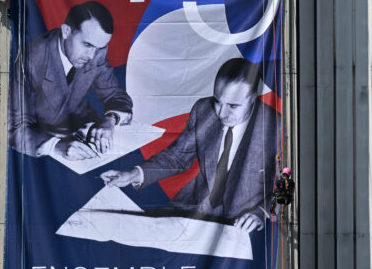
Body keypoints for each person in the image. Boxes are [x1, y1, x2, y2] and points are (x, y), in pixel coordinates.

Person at [101, 58, 276, 232]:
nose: (221, 113)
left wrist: (262, 213)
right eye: (217, 101)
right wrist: (132, 174)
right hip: (190, 209)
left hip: (241, 224)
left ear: (253, 97)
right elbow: (177, 157)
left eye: (232, 106)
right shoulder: (203, 110)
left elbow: (289, 187)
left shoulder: (277, 129)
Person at [9, 1, 133, 160]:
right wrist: (56, 146)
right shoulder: (33, 58)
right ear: (66, 31)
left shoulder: (96, 51)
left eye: (99, 48)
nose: (91, 56)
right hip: (43, 147)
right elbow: (12, 126)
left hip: (84, 131)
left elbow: (116, 95)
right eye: (87, 44)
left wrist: (110, 120)